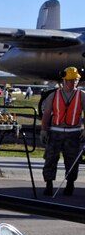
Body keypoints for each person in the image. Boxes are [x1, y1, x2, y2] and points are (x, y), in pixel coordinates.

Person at [40, 66, 84, 196]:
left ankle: (70, 183)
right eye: (71, 80)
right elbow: (46, 114)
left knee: (72, 160)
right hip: (55, 132)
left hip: (74, 133)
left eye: (75, 80)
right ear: (64, 80)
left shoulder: (82, 96)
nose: (73, 83)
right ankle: (49, 184)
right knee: (50, 158)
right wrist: (43, 130)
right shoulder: (53, 95)